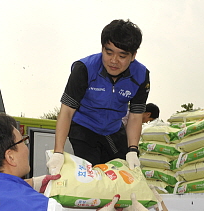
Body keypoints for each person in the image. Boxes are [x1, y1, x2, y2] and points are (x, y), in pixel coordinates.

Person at [47, 19, 150, 174]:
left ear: (133, 55)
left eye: (122, 56)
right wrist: (58, 152)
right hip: (84, 128)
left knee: (122, 175)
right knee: (92, 175)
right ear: (102, 48)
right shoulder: (84, 69)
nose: (114, 61)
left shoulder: (141, 76)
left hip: (114, 129)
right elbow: (67, 111)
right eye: (109, 53)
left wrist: (133, 150)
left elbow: (135, 116)